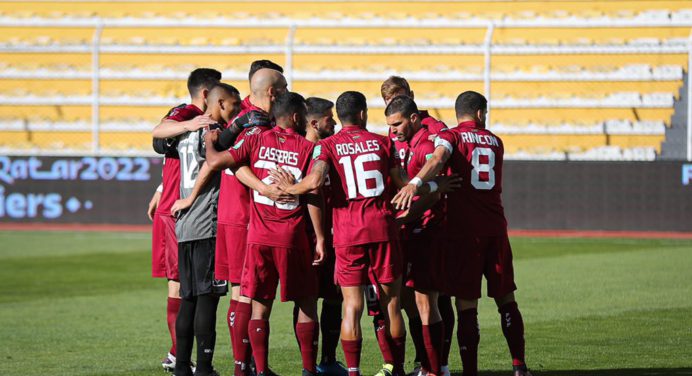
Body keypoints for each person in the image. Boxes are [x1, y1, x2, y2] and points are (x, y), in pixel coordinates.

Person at [391, 91, 532, 376]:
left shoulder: (451, 137)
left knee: (467, 304)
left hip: (464, 232)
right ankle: (519, 366)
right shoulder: (496, 141)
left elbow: (439, 159)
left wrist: (415, 183)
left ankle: (470, 371)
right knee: (506, 298)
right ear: (480, 114)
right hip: (495, 228)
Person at [272, 91, 412, 376]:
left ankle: (352, 371)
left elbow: (312, 183)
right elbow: (402, 183)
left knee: (352, 305)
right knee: (392, 304)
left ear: (341, 114)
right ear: (362, 114)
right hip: (383, 228)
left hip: (348, 234)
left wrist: (287, 188)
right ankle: (397, 370)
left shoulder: (327, 146)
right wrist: (424, 189)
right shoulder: (384, 142)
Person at [204, 92, 325, 376]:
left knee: (260, 307)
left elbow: (225, 162)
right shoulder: (307, 147)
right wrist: (319, 236)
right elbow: (313, 193)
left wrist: (211, 144)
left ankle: (259, 370)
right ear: (296, 118)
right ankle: (309, 370)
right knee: (306, 302)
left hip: (259, 237)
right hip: (292, 236)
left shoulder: (256, 138)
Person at [380, 76, 453, 376]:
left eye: (398, 99)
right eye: (387, 101)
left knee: (432, 298)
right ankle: (424, 363)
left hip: (428, 227)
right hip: (407, 229)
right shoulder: (398, 136)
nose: (392, 107)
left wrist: (424, 186)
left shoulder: (431, 132)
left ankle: (439, 366)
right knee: (411, 300)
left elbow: (440, 173)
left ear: (411, 99)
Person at [149, 68, 221, 372]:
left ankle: (179, 355)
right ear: (206, 94)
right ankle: (179, 356)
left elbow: (176, 159)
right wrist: (189, 122)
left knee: (185, 286)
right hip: (177, 212)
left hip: (178, 205)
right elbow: (158, 130)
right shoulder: (189, 113)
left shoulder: (206, 125)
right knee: (180, 286)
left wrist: (161, 185)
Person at [217, 67, 287, 376]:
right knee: (245, 292)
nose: (287, 90)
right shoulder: (248, 120)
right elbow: (230, 161)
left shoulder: (255, 116)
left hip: (244, 213)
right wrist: (264, 188)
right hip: (246, 214)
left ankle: (249, 366)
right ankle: (242, 367)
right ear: (272, 91)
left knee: (245, 291)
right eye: (283, 86)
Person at [171, 83, 241, 376]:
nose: (236, 110)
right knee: (207, 299)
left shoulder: (187, 131)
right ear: (220, 103)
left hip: (185, 225)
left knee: (187, 298)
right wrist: (190, 198)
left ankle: (182, 368)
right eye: (234, 105)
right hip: (206, 222)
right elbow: (210, 167)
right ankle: (204, 368)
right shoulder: (213, 132)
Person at [303, 97, 347, 376]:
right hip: (310, 237)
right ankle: (309, 364)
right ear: (315, 123)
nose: (335, 122)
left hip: (337, 234)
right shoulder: (304, 151)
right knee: (306, 300)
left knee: (334, 298)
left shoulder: (331, 149)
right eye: (330, 118)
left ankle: (328, 360)